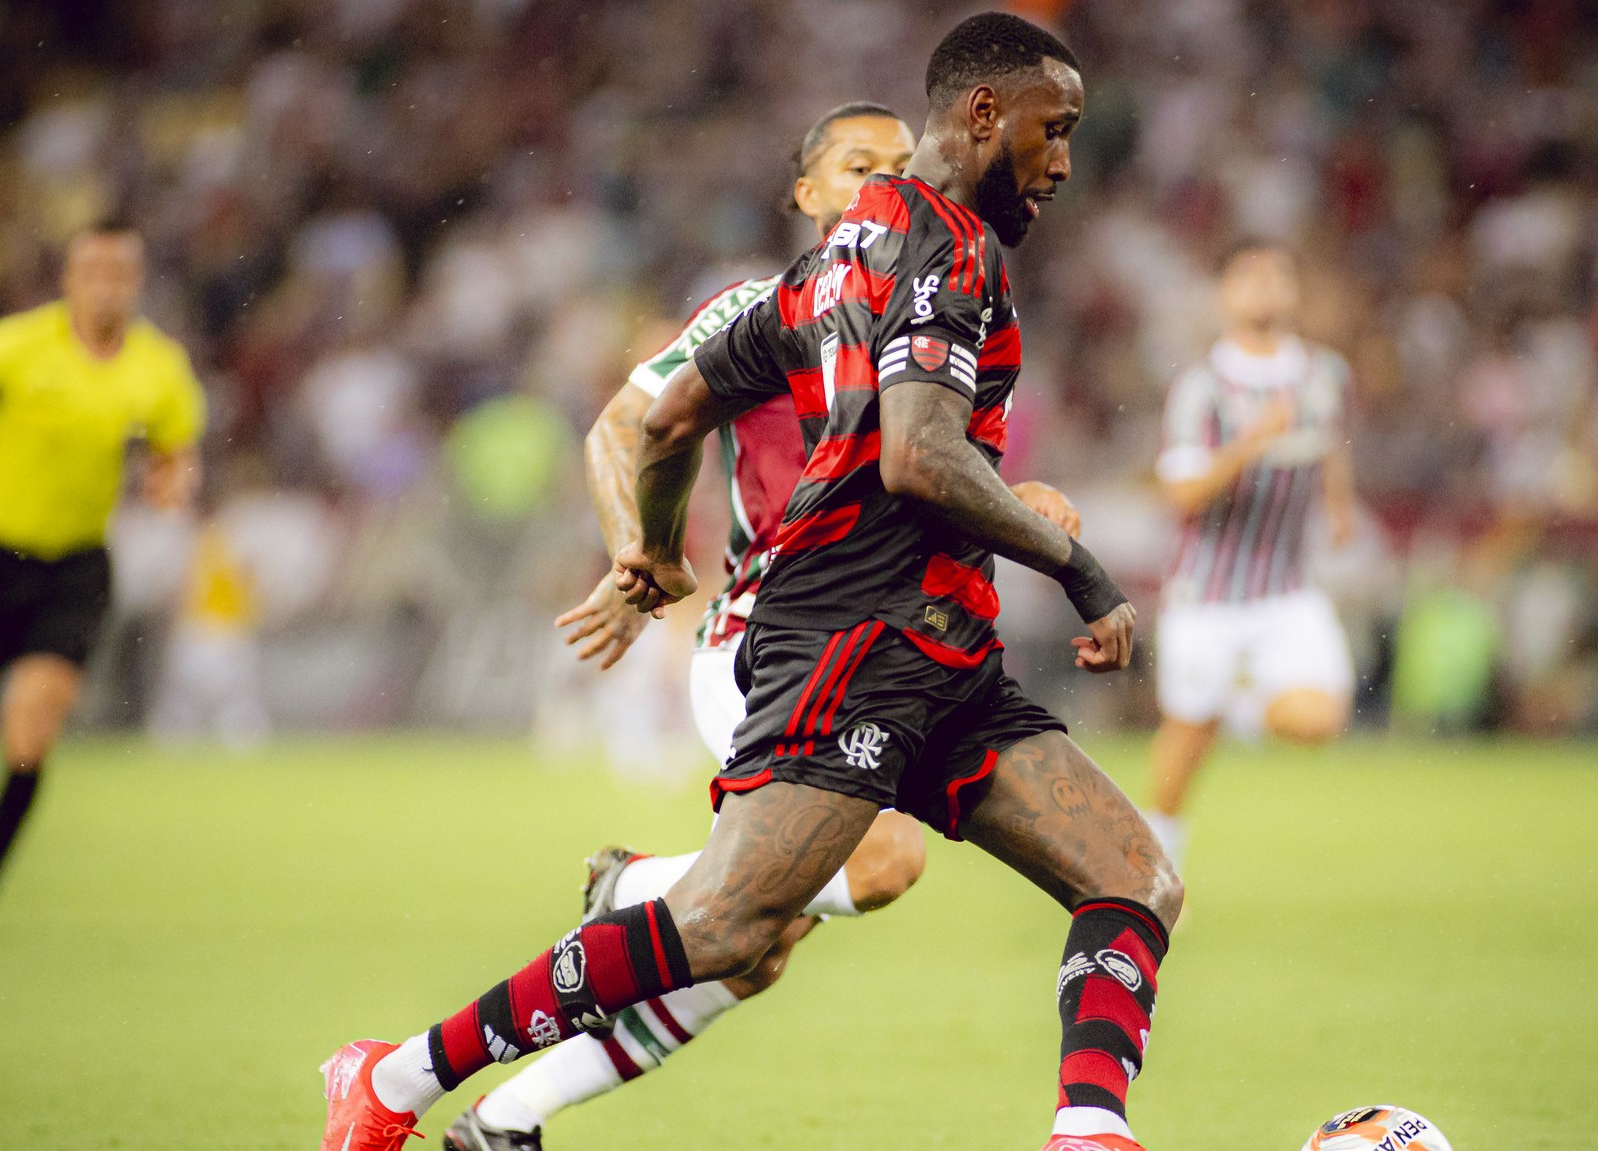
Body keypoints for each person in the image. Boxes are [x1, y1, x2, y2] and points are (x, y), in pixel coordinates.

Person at [323, 15, 1179, 1151]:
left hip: (941, 647)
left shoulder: (831, 260)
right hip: (853, 642)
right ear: (984, 115)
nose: (1063, 160)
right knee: (727, 927)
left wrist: (656, 548)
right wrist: (1077, 568)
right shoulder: (945, 248)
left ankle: (1089, 1131)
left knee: (1132, 875)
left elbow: (675, 416)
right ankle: (396, 1076)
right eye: (1053, 129)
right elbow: (915, 455)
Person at [447, 101, 1082, 1151]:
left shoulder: (943, 304)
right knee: (877, 865)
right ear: (807, 193)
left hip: (882, 648)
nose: (878, 180)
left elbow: (945, 471)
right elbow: (625, 426)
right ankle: (642, 884)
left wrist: (1036, 498)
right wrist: (633, 554)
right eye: (852, 164)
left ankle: (507, 1114)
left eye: (894, 163)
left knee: (754, 943)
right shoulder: (761, 305)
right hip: (771, 639)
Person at [0, 221, 207, 944]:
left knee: (33, 723)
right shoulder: (16, 346)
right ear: (68, 278)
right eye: (93, 268)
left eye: (121, 270)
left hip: (74, 567)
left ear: (136, 281)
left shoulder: (158, 367)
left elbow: (177, 452)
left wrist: (172, 483)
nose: (107, 283)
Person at [1143, 240, 1358, 862]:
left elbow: (1333, 444)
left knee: (1320, 718)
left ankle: (1235, 707)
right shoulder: (1203, 387)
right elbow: (1181, 492)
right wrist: (1249, 445)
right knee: (1184, 743)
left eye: (1278, 276)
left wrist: (1340, 506)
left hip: (1285, 589)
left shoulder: (1325, 374)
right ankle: (1157, 873)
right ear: (1223, 294)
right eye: (1250, 276)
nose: (1266, 287)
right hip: (1207, 592)